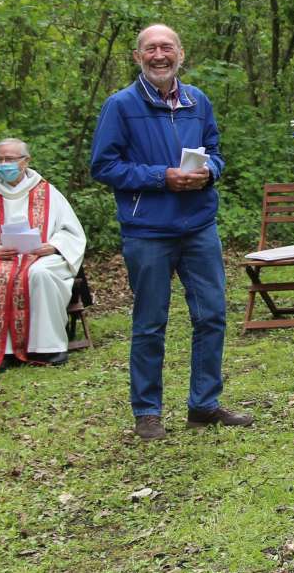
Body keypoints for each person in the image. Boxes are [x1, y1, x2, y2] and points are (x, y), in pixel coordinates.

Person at [90, 24, 253, 441]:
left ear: (181, 53)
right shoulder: (120, 105)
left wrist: (208, 173)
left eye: (166, 47)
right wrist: (162, 177)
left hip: (199, 226)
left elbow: (215, 152)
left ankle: (204, 404)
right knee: (150, 323)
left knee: (212, 316)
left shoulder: (198, 101)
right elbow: (103, 166)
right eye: (150, 49)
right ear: (137, 56)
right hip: (148, 231)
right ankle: (147, 412)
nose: (159, 55)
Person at [0, 138, 87, 376]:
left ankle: (47, 347)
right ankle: (3, 350)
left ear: (26, 161)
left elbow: (72, 232)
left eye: (10, 159)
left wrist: (54, 246)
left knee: (39, 273)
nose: (4, 164)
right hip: (4, 257)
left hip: (42, 256)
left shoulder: (47, 192)